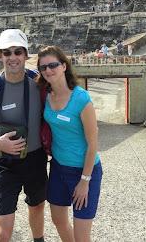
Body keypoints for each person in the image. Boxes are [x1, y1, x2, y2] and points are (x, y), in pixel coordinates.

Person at [0, 29, 48, 242]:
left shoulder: (39, 83)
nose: (12, 57)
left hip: (36, 159)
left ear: (25, 55)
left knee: (37, 206)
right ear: (0, 56)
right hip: (6, 164)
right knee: (3, 230)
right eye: (7, 52)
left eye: (17, 51)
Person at [36, 45, 103, 242]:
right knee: (58, 221)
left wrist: (84, 181)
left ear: (64, 66)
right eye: (43, 67)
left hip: (83, 171)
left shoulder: (81, 98)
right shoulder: (46, 95)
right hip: (58, 168)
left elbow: (93, 143)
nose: (48, 70)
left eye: (53, 65)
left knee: (82, 237)